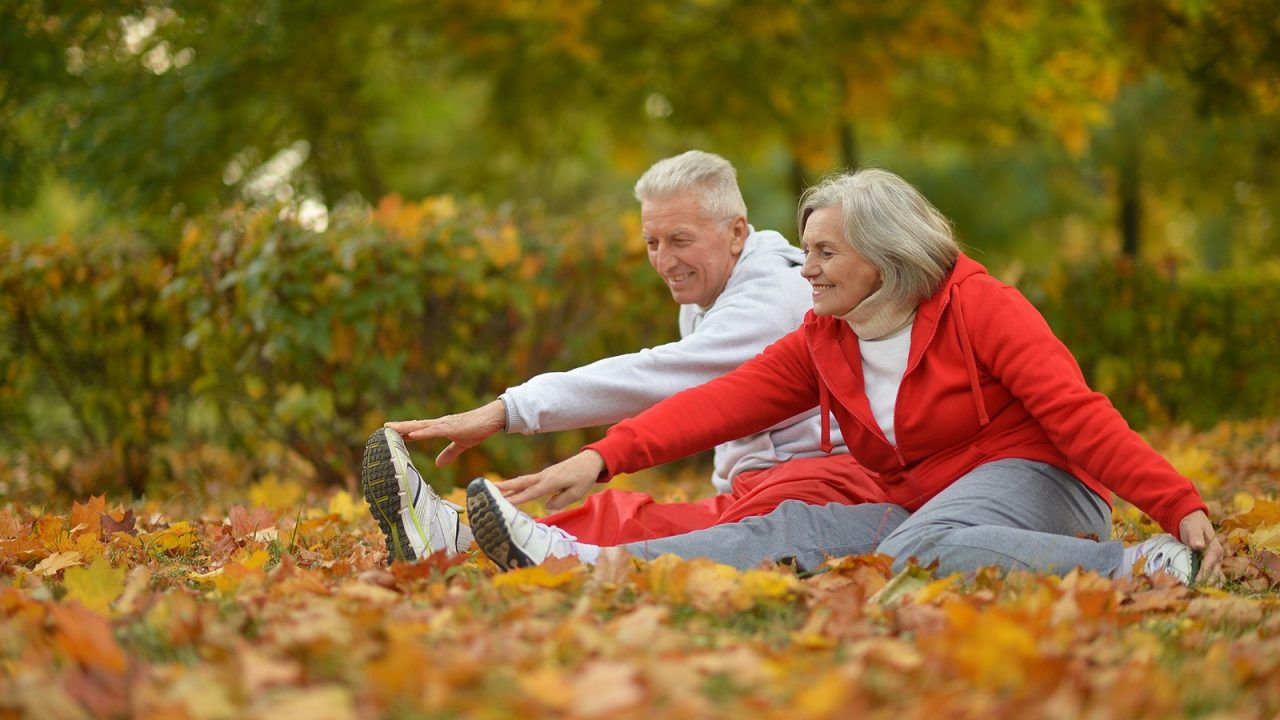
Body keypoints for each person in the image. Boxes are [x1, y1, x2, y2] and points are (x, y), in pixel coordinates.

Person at [464, 167, 1225, 586]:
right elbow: (719, 404)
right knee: (799, 528)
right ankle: (591, 562)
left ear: (885, 256)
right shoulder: (824, 337)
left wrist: (1175, 505)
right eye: (806, 249)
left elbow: (1078, 416)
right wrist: (602, 457)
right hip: (925, 506)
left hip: (1040, 485)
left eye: (825, 253)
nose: (808, 269)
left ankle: (1136, 567)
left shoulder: (981, 307)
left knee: (920, 553)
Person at [361, 151, 886, 562]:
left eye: (680, 239)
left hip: (828, 483)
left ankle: (478, 542)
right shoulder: (711, 290)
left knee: (689, 529)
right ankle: (462, 536)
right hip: (771, 484)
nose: (665, 260)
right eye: (651, 241)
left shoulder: (776, 293)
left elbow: (658, 376)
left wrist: (509, 411)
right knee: (626, 511)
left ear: (736, 232)